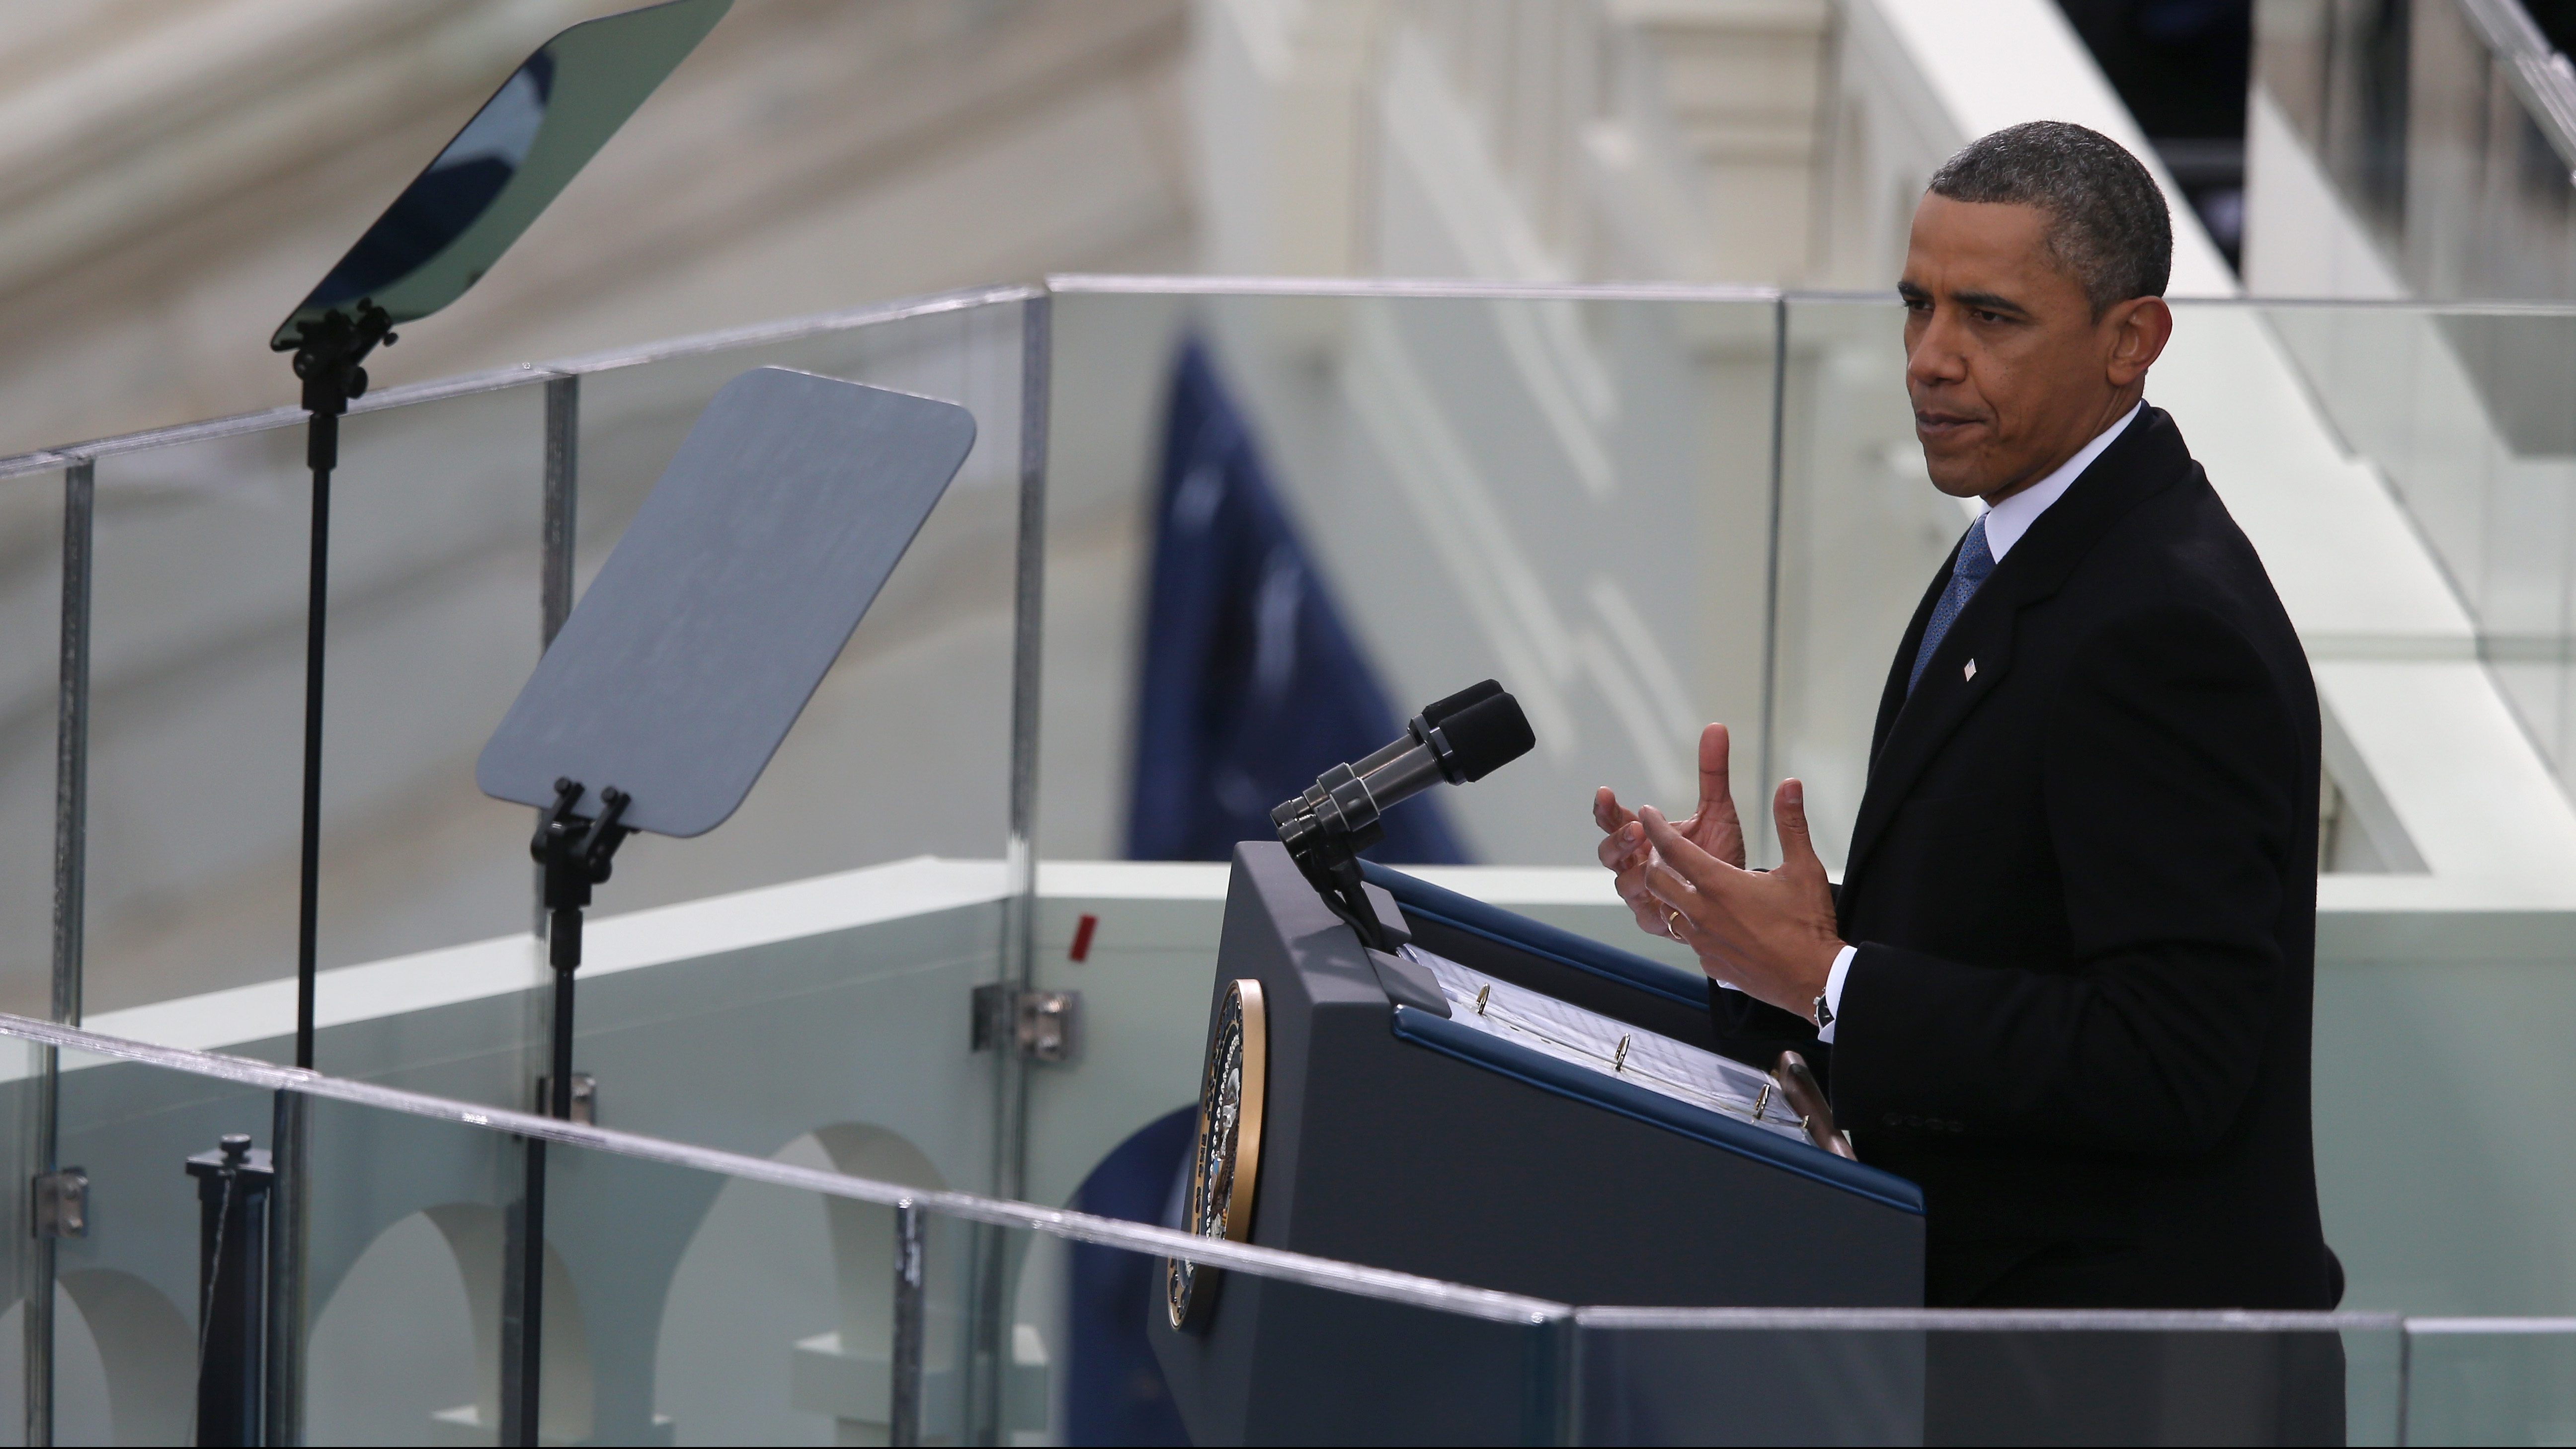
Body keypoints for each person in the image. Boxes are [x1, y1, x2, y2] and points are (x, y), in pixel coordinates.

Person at [1592, 123, 2341, 1319]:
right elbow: (1996, 935)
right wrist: (1753, 937)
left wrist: (1830, 975)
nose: (1929, 360)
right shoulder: (2016, 546)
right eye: (1916, 306)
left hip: (2115, 1379)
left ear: (2130, 342)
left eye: (1989, 319)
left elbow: (2173, 1062)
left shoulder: (2165, 625)